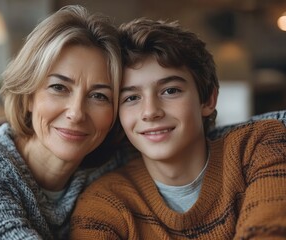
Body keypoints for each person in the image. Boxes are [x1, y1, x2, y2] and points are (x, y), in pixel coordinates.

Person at [70, 18, 286, 239]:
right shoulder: (104, 202)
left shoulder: (258, 146)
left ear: (208, 99)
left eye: (170, 91)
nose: (150, 111)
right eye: (132, 97)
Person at [0, 5, 127, 239]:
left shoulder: (110, 166)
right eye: (58, 88)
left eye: (99, 96)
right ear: (28, 96)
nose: (76, 113)